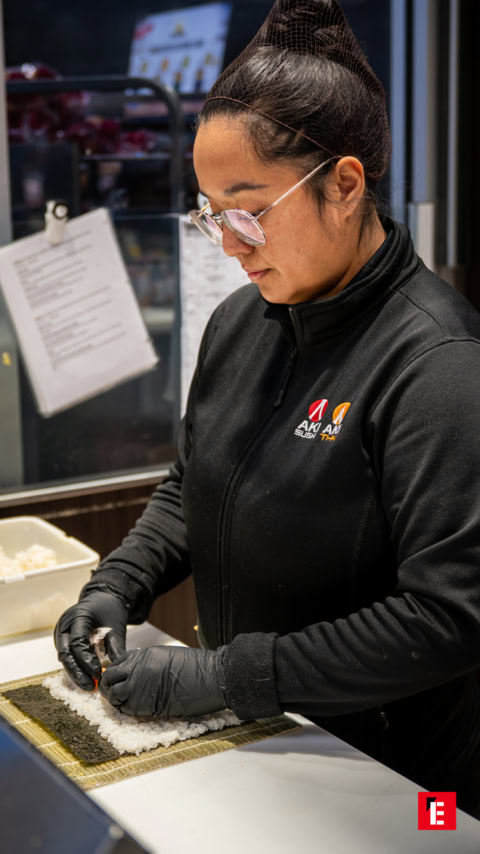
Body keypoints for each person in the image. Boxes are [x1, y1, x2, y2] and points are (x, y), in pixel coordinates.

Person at [55, 0, 480, 817]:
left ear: (345, 185)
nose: (228, 243)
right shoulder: (240, 321)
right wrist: (118, 584)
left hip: (396, 782)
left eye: (248, 210)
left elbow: (451, 616)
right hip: (266, 742)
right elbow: (193, 481)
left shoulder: (438, 363)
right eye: (211, 213)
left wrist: (223, 676)